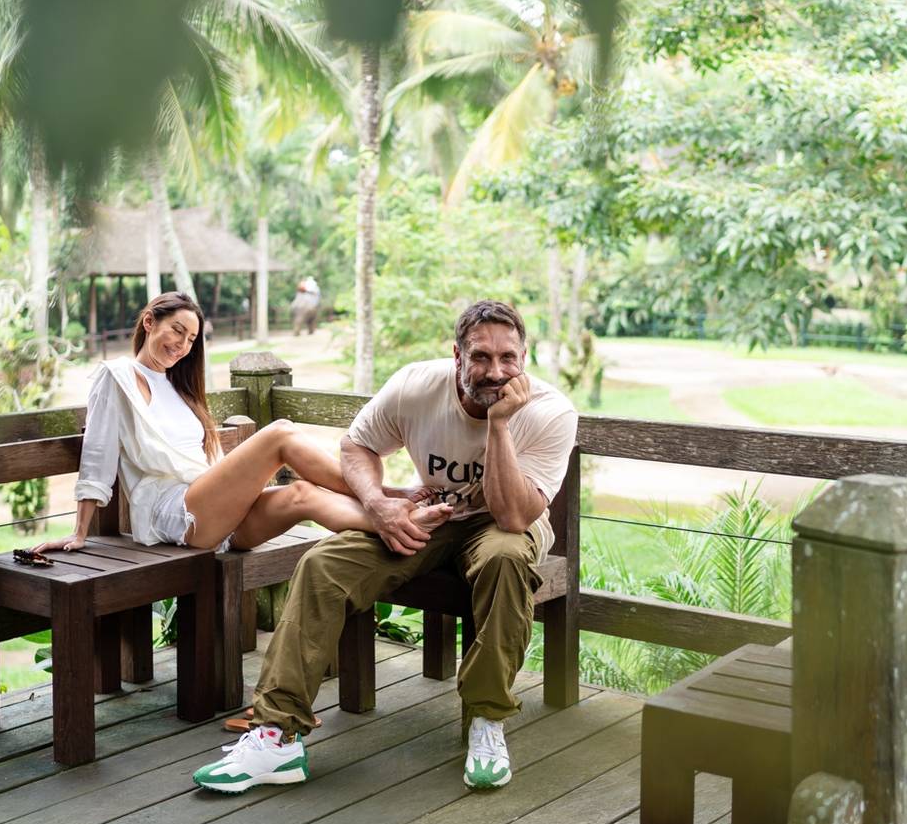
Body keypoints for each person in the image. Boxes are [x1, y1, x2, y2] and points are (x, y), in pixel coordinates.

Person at [193, 300, 578, 794]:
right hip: (429, 517)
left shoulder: (548, 411)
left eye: (509, 359)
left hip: (505, 524)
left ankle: (486, 719)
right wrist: (378, 505)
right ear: (457, 356)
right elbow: (357, 446)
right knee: (323, 563)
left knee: (505, 559)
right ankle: (276, 734)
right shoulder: (417, 385)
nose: (495, 372)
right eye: (481, 357)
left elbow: (513, 516)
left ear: (525, 359)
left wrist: (499, 424)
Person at [31, 292, 451, 561]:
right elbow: (99, 452)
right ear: (149, 323)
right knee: (281, 432)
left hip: (214, 514)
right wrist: (79, 531)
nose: (182, 345)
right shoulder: (117, 376)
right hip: (172, 513)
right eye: (177, 330)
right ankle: (388, 496)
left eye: (191, 339)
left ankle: (405, 519)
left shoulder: (178, 388)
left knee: (301, 493)